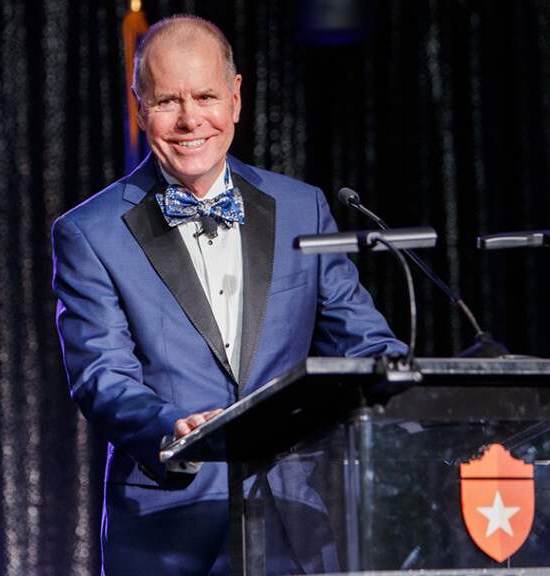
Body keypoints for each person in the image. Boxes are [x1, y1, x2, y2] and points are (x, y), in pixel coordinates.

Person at [52, 14, 407, 576]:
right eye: (168, 100)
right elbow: (101, 377)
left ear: (236, 99)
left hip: (298, 524)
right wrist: (170, 426)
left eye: (207, 96)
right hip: (168, 524)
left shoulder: (302, 207)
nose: (191, 119)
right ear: (141, 104)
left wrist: (408, 395)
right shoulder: (89, 233)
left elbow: (365, 342)